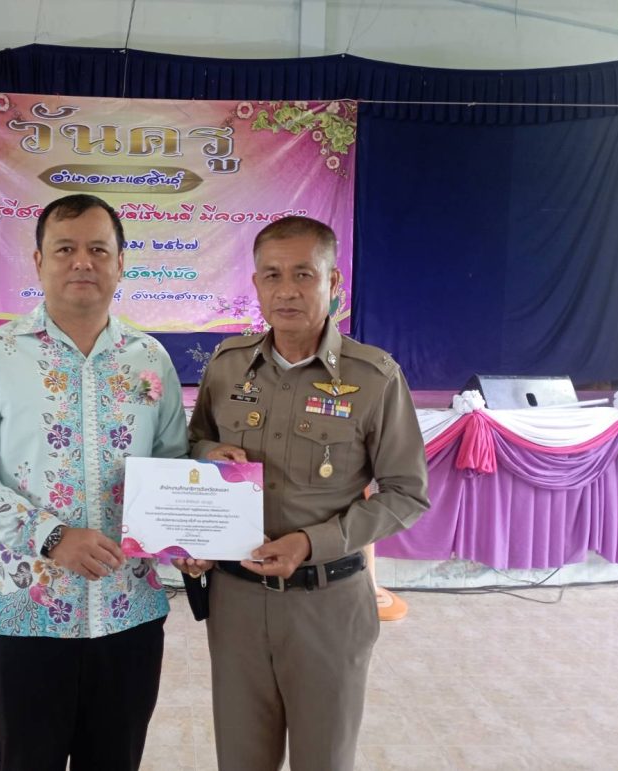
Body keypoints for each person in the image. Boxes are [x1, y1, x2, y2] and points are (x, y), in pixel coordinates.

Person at [0, 194, 188, 771]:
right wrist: (52, 536)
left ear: (121, 263)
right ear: (38, 261)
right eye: (65, 249)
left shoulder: (149, 358)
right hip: (25, 618)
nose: (82, 262)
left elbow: (173, 464)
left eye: (98, 249)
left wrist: (191, 536)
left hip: (128, 617)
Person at [182, 215, 429, 771]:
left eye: (303, 274)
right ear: (256, 284)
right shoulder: (227, 366)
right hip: (236, 602)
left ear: (333, 281)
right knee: (241, 760)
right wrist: (206, 458)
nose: (287, 290)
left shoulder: (374, 378)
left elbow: (406, 493)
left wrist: (311, 543)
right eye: (272, 275)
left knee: (324, 759)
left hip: (328, 603)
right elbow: (195, 445)